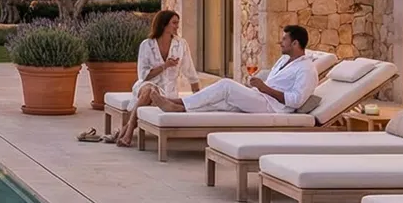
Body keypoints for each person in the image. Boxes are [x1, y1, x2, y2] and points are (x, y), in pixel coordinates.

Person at [153, 24, 318, 116]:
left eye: (284, 39)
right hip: (261, 97)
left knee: (226, 85)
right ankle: (179, 108)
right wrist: (257, 87)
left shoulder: (307, 69)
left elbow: (296, 100)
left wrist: (264, 88)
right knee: (223, 102)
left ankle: (176, 102)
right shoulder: (284, 59)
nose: (280, 42)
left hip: (273, 107)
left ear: (295, 43)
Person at [113, 10, 198, 147]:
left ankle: (125, 130)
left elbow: (190, 71)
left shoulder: (181, 44)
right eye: (174, 23)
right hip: (146, 84)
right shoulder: (147, 45)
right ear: (163, 25)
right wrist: (165, 66)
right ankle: (128, 134)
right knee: (149, 90)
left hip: (167, 91)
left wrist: (198, 97)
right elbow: (143, 75)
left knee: (152, 93)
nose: (177, 26)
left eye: (178, 23)